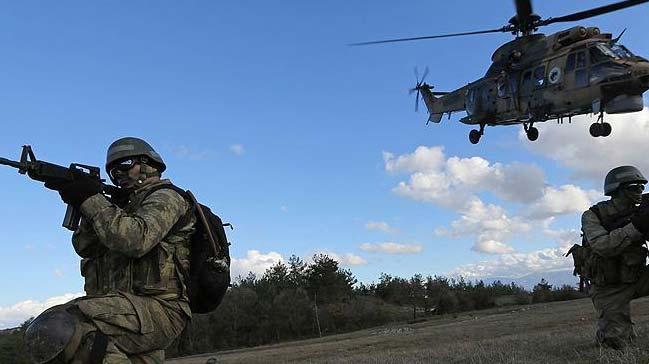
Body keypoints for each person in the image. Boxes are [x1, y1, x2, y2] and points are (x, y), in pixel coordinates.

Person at [25, 137, 195, 364]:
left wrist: (91, 199)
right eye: (113, 171)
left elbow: (135, 240)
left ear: (148, 164)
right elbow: (85, 247)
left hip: (160, 310)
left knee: (60, 326)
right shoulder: (118, 208)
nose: (119, 174)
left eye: (125, 165)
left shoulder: (167, 197)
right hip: (127, 311)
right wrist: (84, 203)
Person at [582, 165, 649, 349]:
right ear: (617, 190)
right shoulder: (593, 216)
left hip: (638, 276)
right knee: (615, 344)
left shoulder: (642, 211)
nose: (640, 191)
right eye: (634, 187)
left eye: (642, 187)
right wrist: (636, 226)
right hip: (609, 288)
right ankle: (610, 332)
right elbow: (603, 246)